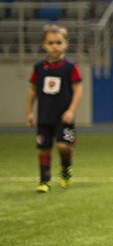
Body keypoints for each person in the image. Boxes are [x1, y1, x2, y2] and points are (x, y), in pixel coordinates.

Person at [25, 24, 82, 192]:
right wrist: (29, 112)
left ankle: (65, 169)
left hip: (64, 117)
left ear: (65, 44)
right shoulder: (39, 68)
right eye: (50, 43)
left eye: (58, 42)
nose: (54, 46)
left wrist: (71, 110)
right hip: (44, 116)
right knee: (44, 148)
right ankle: (44, 181)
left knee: (63, 146)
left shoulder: (70, 67)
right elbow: (32, 89)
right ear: (44, 45)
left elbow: (78, 89)